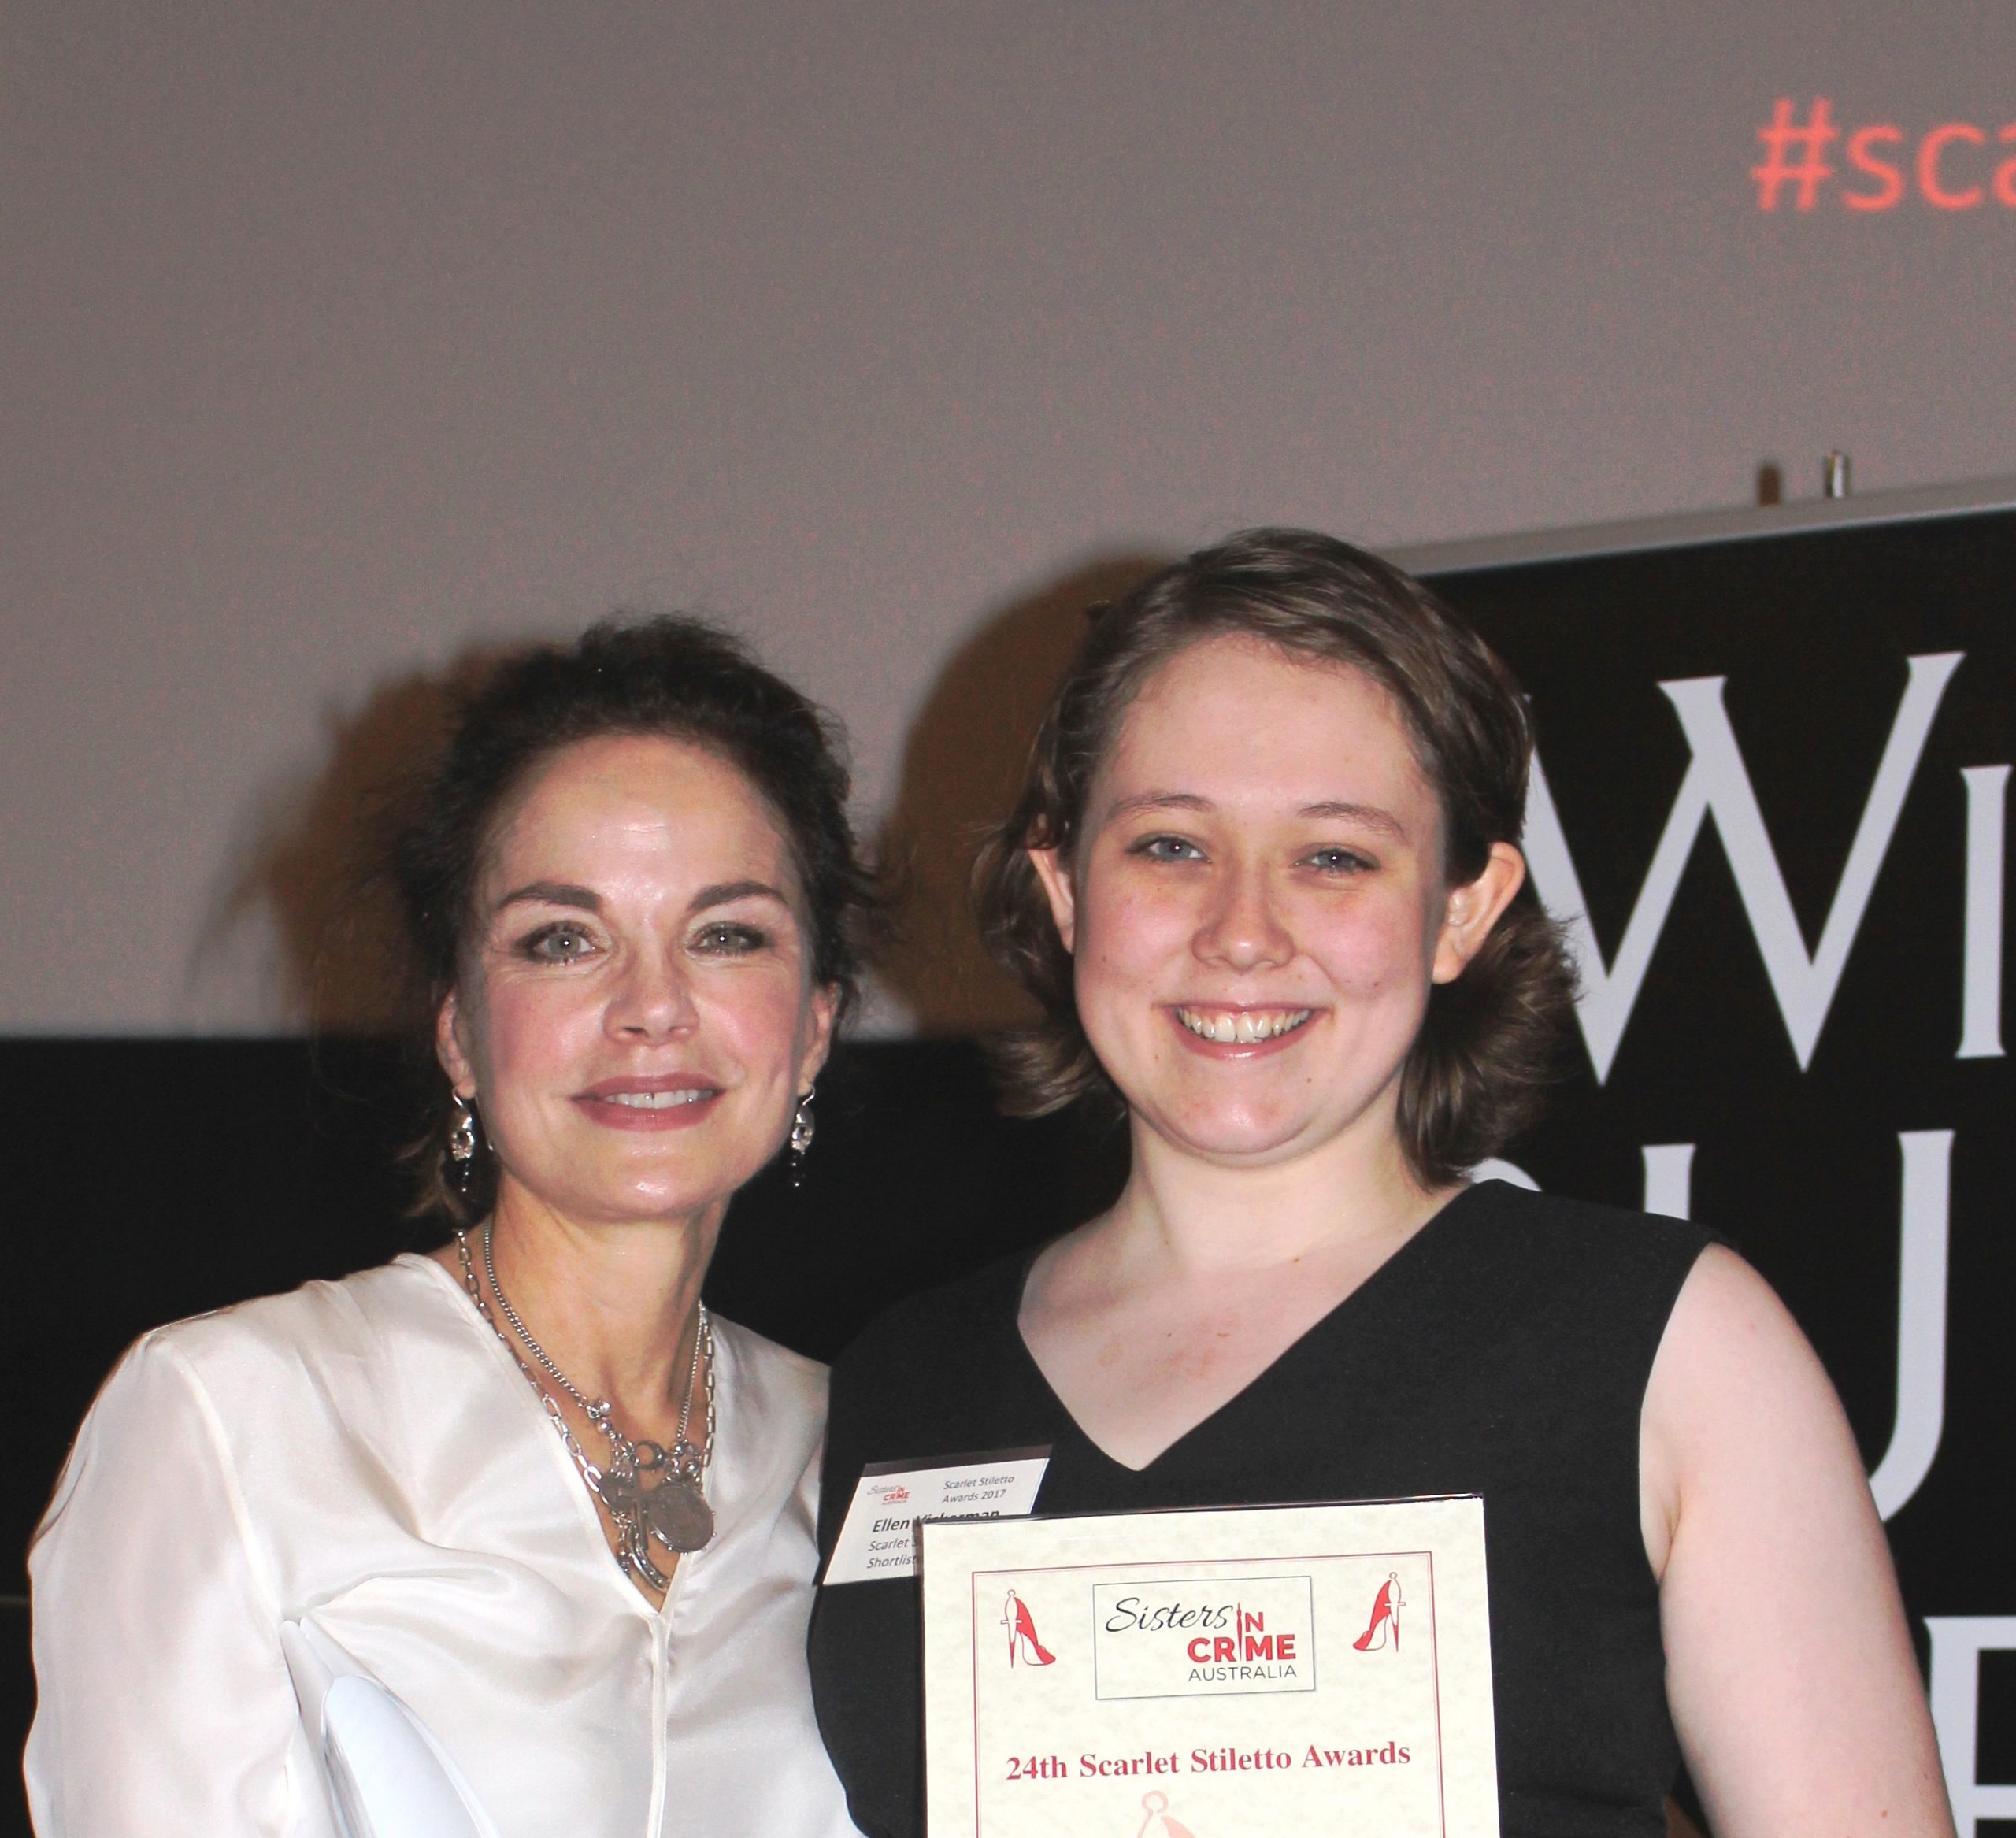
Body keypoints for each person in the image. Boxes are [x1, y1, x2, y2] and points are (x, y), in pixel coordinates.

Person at [807, 530, 1954, 1838]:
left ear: (1464, 908)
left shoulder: (1667, 1346)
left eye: (1335, 856)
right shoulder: (900, 1385)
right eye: (1171, 845)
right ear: (1064, 887)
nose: (1244, 931)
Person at [28, 617, 872, 1837]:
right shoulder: (234, 1416)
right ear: (460, 1031)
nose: (652, 1006)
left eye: (726, 934)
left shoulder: (859, 1450)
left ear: (815, 1025)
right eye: (562, 940)